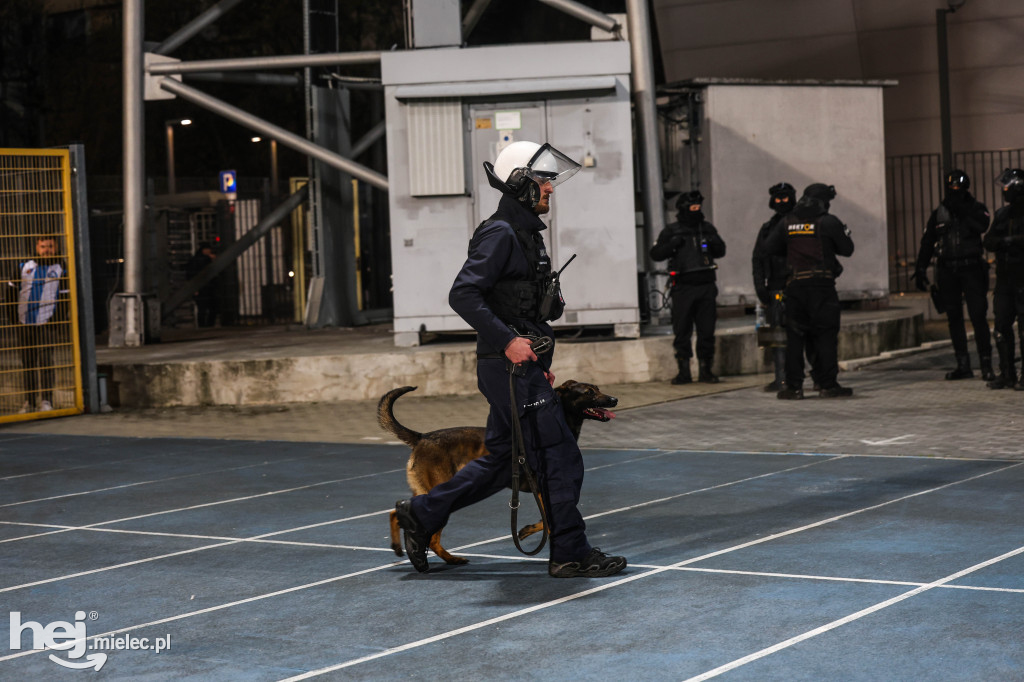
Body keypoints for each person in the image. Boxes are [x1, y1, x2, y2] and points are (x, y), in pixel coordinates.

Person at [394, 140, 626, 579]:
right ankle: (570, 554)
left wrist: (536, 345)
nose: (550, 190)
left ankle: (421, 514)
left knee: (502, 460)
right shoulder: (500, 232)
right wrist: (509, 343)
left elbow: (522, 306)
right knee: (559, 457)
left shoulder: (525, 235)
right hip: (507, 365)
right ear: (519, 182)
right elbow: (463, 294)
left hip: (522, 366)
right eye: (542, 181)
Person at [766, 183, 855, 399]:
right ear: (824, 201)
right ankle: (827, 384)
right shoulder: (828, 221)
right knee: (825, 335)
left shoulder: (787, 222)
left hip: (795, 287)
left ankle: (793, 386)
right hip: (822, 287)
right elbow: (847, 249)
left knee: (795, 338)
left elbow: (769, 247)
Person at [912, 170, 993, 381]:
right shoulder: (939, 213)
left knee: (978, 316)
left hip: (972, 268)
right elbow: (928, 241)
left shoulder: (976, 208)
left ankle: (986, 365)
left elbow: (983, 226)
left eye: (958, 188)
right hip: (948, 270)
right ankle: (963, 365)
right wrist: (921, 268)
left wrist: (963, 212)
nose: (954, 192)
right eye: (952, 188)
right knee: (954, 318)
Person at [650, 190, 727, 384]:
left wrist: (712, 242)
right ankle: (684, 371)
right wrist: (672, 245)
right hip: (683, 287)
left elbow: (721, 251)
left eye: (698, 207)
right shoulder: (672, 230)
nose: (696, 210)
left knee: (706, 331)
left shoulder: (707, 228)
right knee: (682, 331)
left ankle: (705, 370)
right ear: (684, 208)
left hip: (706, 285)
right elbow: (656, 253)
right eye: (692, 207)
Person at [981, 168, 1024, 390]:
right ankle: (1007, 373)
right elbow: (988, 240)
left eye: (1008, 188)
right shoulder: (1001, 214)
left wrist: (1012, 240)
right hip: (1005, 278)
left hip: (1022, 278)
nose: (1004, 191)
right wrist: (1001, 241)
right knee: (1001, 326)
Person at [753, 182, 796, 391]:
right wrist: (760, 287)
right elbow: (758, 259)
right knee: (778, 335)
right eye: (778, 198)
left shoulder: (799, 224)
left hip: (798, 286)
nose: (781, 202)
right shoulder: (768, 228)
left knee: (804, 333)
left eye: (785, 198)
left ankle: (813, 376)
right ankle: (781, 377)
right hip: (776, 287)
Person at [15, 236, 65, 413]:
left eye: (50, 246)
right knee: (28, 363)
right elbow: (12, 291)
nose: (46, 250)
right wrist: (14, 320)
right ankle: (29, 401)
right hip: (24, 322)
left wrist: (56, 320)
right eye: (43, 246)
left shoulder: (61, 268)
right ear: (36, 247)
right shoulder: (24, 266)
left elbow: (65, 296)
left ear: (56, 247)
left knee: (45, 362)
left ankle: (46, 401)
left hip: (47, 322)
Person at [185, 242, 218, 327]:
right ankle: (206, 325)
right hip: (203, 288)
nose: (209, 251)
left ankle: (205, 326)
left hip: (205, 288)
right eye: (207, 249)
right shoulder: (201, 260)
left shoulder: (196, 259)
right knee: (205, 309)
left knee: (207, 309)